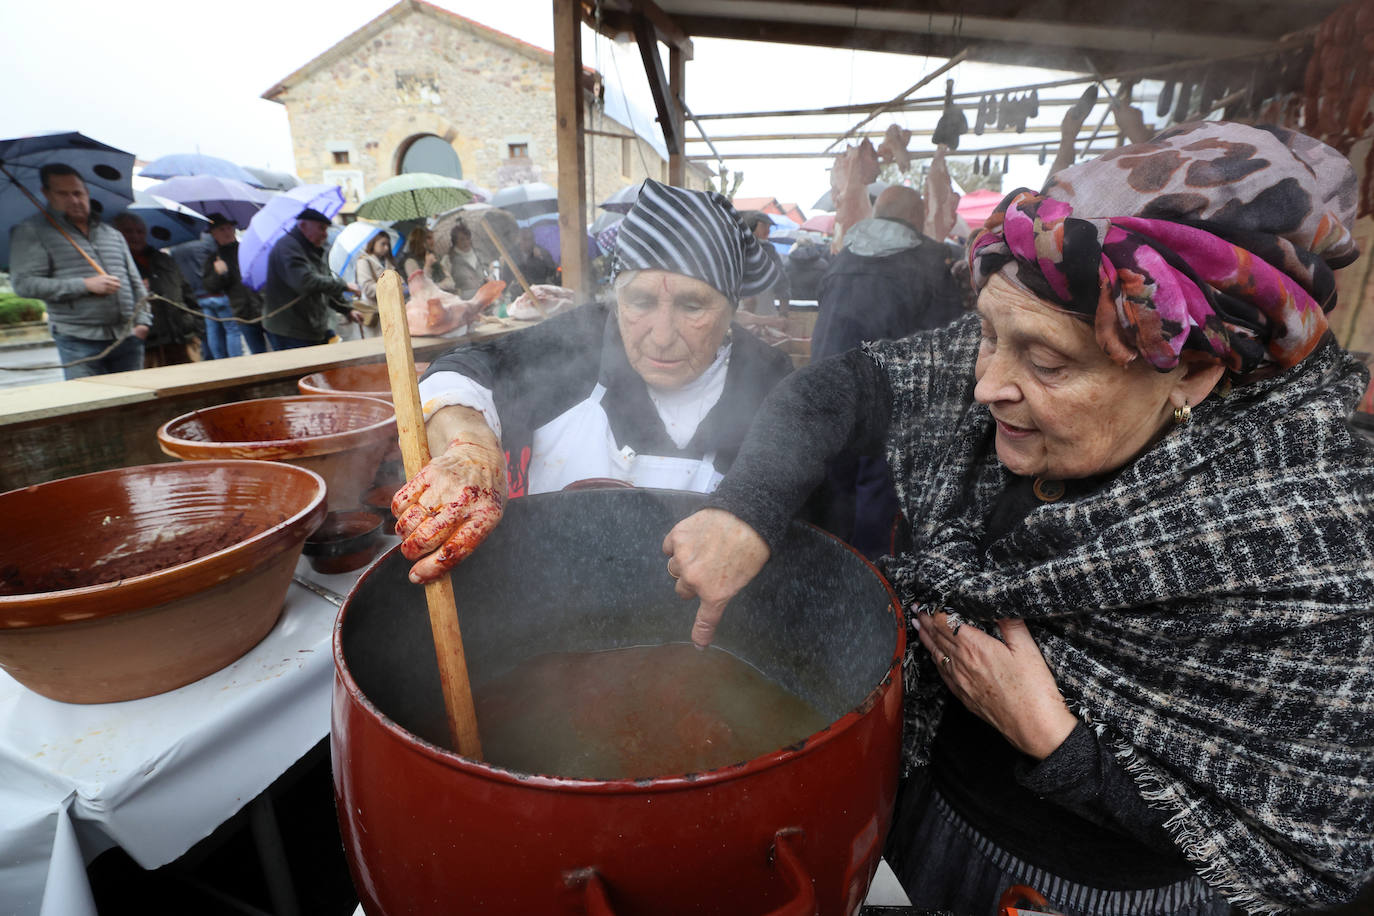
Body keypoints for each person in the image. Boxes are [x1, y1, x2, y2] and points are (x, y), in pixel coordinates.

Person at [658, 123, 1374, 914]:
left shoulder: (1312, 540)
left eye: (1046, 362)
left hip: (1079, 889)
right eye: (989, 336)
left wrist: (1059, 746)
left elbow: (1307, 835)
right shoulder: (1057, 324)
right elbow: (839, 389)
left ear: (1195, 373)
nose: (985, 385)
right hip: (922, 812)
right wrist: (746, 511)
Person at [391, 179, 795, 584]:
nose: (662, 334)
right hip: (545, 598)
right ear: (616, 296)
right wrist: (468, 447)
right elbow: (462, 370)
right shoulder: (579, 340)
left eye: (692, 306)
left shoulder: (773, 384)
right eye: (640, 301)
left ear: (732, 310)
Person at [813, 185, 968, 558]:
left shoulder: (842, 255)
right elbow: (944, 344)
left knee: (833, 491)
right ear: (917, 219)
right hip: (890, 401)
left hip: (826, 391)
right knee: (877, 503)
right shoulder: (932, 259)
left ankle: (827, 567)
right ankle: (872, 583)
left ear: (877, 213)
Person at [10, 163, 151, 378]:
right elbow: (24, 284)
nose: (74, 200)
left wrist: (143, 321)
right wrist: (85, 285)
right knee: (92, 405)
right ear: (46, 194)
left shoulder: (110, 233)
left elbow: (134, 280)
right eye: (63, 194)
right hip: (78, 339)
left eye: (78, 193)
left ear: (87, 192)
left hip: (127, 336)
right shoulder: (31, 232)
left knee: (134, 404)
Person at [261, 208, 361, 349]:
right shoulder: (287, 248)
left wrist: (347, 309)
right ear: (303, 226)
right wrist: (344, 285)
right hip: (290, 330)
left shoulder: (313, 249)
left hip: (311, 326)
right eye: (321, 228)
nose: (325, 235)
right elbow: (305, 282)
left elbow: (325, 287)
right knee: (302, 370)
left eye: (326, 229)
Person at [110, 211, 200, 368]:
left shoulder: (164, 259)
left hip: (182, 338)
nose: (135, 236)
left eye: (139, 231)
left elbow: (187, 293)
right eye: (128, 231)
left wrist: (196, 327)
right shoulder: (113, 264)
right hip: (147, 346)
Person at [201, 214, 267, 354]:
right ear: (213, 234)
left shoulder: (247, 249)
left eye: (229, 228)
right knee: (258, 354)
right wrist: (221, 274)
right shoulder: (214, 259)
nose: (227, 232)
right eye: (222, 230)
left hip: (264, 307)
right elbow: (211, 286)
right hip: (242, 312)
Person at [737, 211, 790, 323]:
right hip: (759, 313)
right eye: (764, 226)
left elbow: (781, 281)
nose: (768, 230)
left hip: (758, 311)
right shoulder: (765, 249)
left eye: (769, 226)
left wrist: (783, 314)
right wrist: (783, 314)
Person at [351, 230, 395, 339]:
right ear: (373, 243)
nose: (386, 248)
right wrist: (390, 286)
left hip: (392, 312)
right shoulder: (364, 262)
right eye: (383, 244)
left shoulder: (389, 261)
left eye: (388, 244)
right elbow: (368, 288)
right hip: (375, 314)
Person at [446, 224, 485, 298]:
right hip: (466, 302)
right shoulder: (449, 260)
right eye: (462, 239)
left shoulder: (479, 254)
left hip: (486, 295)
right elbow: (448, 285)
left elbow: (490, 272)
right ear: (455, 242)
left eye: (468, 238)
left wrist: (490, 277)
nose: (466, 242)